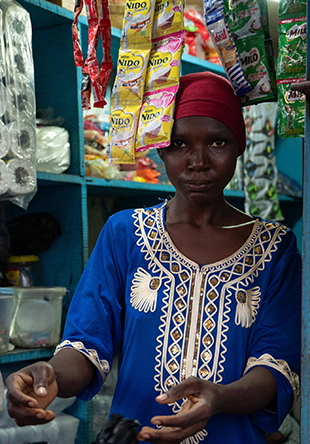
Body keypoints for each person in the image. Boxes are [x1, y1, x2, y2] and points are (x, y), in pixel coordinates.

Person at [6, 72, 301, 444]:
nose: (198, 161)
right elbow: (86, 343)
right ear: (160, 148)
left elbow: (277, 365)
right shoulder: (124, 233)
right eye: (179, 143)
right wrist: (49, 376)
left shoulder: (275, 249)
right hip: (134, 436)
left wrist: (220, 398)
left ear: (239, 146)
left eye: (218, 142)